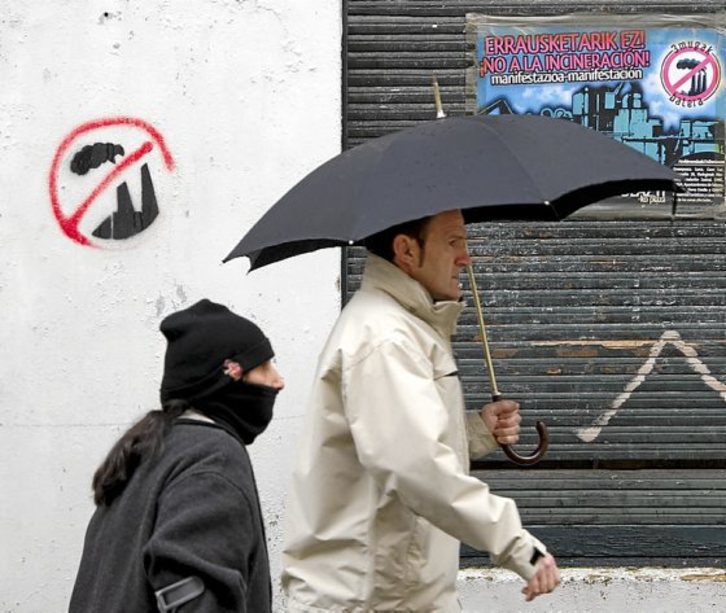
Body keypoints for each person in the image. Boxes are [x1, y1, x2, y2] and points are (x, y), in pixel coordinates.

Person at [282, 209, 560, 611]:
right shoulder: (385, 338)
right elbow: (416, 465)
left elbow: (399, 441)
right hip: (374, 598)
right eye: (453, 242)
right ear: (407, 250)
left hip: (389, 590)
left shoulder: (402, 326)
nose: (466, 257)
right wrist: (517, 544)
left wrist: (477, 431)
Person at [70, 299, 284, 613]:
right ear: (226, 377)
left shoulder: (151, 452)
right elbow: (195, 598)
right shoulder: (212, 458)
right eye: (263, 367)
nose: (278, 381)